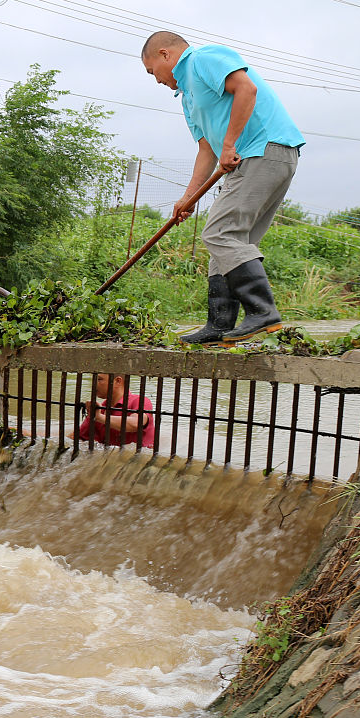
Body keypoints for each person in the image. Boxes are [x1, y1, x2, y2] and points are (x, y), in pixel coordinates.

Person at [141, 31, 304, 344]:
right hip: (254, 158)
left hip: (262, 150)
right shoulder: (188, 98)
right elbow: (206, 150)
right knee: (226, 243)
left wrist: (229, 144)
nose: (157, 80)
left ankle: (263, 312)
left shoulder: (202, 59)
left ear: (164, 54)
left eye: (152, 72)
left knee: (219, 233)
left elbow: (247, 88)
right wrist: (187, 198)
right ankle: (220, 325)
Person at [70, 373, 156, 449]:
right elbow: (75, 437)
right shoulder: (100, 409)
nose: (94, 384)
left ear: (118, 381)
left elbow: (136, 423)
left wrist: (100, 418)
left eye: (99, 379)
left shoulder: (139, 401)